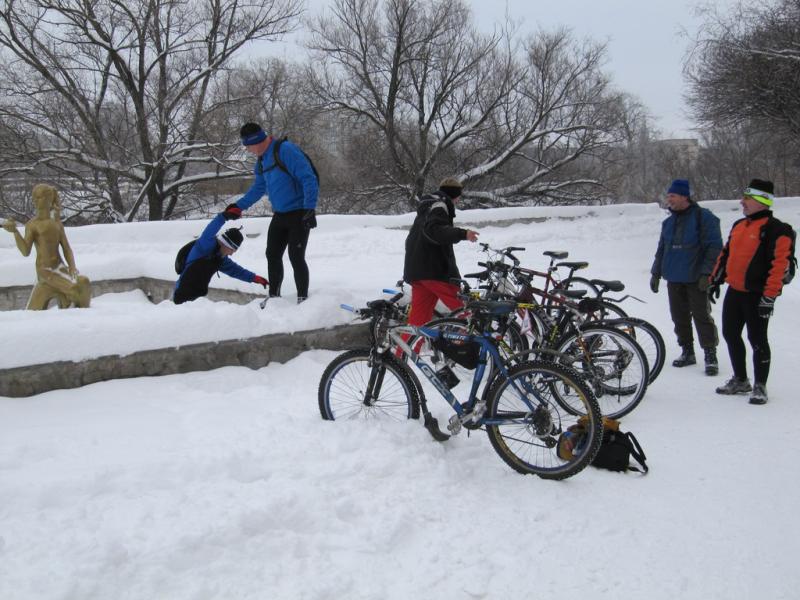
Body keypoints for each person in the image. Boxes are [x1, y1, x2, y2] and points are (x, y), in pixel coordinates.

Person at [709, 179, 794, 405]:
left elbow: (779, 266)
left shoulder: (778, 230)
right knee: (730, 334)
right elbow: (725, 255)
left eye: (747, 198)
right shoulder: (739, 225)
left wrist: (770, 296)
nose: (742, 202)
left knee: (757, 339)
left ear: (761, 201)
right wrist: (714, 281)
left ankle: (760, 386)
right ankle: (740, 379)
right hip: (735, 291)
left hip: (757, 294)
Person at [224, 123, 319, 303]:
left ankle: (303, 299)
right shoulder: (262, 161)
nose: (248, 150)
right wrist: (238, 206)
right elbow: (259, 188)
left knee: (295, 256)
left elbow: (308, 178)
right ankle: (274, 297)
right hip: (280, 215)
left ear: (256, 141)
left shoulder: (285, 150)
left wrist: (309, 208)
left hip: (299, 213)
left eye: (248, 146)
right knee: (272, 254)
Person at [650, 179, 723, 375]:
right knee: (679, 317)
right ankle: (687, 351)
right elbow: (662, 249)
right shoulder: (668, 223)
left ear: (684, 196)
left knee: (702, 316)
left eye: (672, 196)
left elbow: (714, 248)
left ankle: (710, 354)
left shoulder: (704, 217)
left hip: (696, 277)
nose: (669, 199)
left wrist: (707, 273)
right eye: (668, 196)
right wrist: (656, 273)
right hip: (674, 277)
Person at [402, 178, 479, 327]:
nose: (458, 201)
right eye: (458, 197)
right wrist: (463, 234)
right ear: (454, 195)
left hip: (418, 272)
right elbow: (435, 231)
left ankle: (408, 343)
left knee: (418, 323)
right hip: (436, 272)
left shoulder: (428, 207)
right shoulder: (440, 206)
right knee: (466, 312)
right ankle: (474, 340)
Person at [2, 183, 91, 309]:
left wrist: (72, 267)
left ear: (49, 199)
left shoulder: (57, 223)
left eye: (39, 197)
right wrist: (15, 233)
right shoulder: (32, 225)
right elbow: (25, 251)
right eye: (34, 197)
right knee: (75, 291)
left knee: (82, 284)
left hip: (59, 268)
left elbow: (66, 248)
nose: (35, 200)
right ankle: (67, 299)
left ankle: (71, 305)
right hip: (45, 272)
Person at [173, 212, 267, 305]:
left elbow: (236, 271)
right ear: (226, 244)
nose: (231, 254)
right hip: (180, 293)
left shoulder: (221, 259)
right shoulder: (205, 245)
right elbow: (211, 228)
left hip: (197, 297)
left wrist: (254, 278)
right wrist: (224, 216)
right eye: (232, 250)